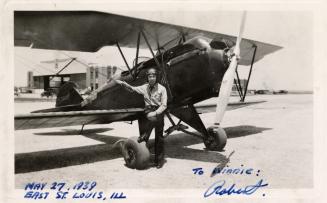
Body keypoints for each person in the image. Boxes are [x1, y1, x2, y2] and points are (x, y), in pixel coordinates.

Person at [115, 68, 167, 168]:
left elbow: (164, 105)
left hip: (158, 111)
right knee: (152, 118)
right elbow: (132, 89)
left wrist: (156, 112)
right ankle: (146, 135)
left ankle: (158, 161)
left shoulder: (162, 89)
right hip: (148, 110)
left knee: (159, 137)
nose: (152, 78)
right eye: (150, 76)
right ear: (147, 78)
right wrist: (123, 84)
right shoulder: (144, 87)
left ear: (156, 77)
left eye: (154, 76)